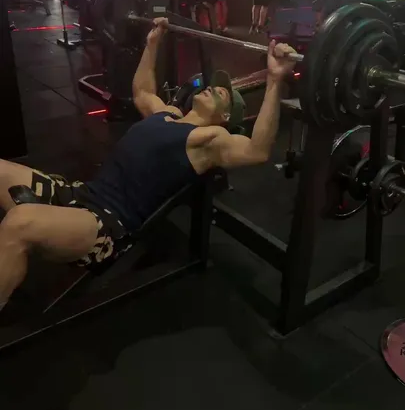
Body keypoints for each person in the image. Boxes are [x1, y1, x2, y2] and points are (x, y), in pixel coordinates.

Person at [0, 19, 295, 312]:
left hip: (103, 224)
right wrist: (152, 44)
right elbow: (141, 92)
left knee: (19, 223)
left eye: (221, 94)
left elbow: (257, 151)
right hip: (80, 194)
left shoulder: (207, 140)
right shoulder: (167, 113)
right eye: (213, 86)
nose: (211, 89)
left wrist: (274, 80)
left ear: (225, 117)